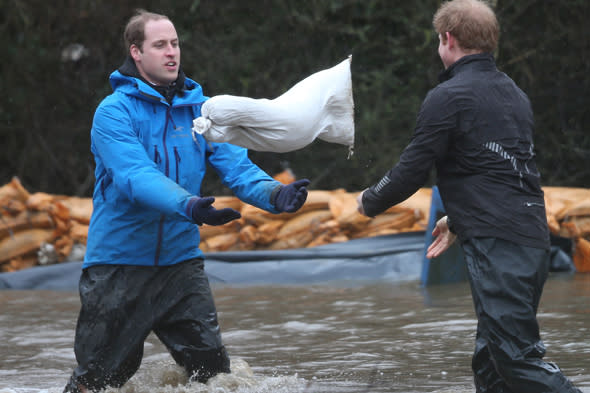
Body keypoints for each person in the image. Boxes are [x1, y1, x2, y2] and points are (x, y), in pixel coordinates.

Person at [63, 9, 310, 393]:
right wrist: (189, 205)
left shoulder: (202, 110)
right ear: (137, 53)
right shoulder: (113, 112)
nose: (171, 52)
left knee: (216, 377)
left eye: (175, 43)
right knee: (99, 381)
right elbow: (135, 177)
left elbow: (237, 168)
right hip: (120, 266)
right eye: (159, 45)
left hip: (182, 266)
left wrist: (276, 194)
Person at [356, 1, 582, 392]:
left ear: (447, 39)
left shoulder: (449, 97)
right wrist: (458, 219)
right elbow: (504, 172)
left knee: (515, 360)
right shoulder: (514, 94)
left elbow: (411, 171)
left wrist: (369, 201)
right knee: (491, 361)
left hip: (501, 246)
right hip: (528, 238)